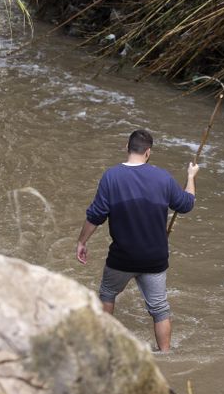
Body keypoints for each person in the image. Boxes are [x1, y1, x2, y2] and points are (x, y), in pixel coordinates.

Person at [76, 129, 199, 352]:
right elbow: (187, 204)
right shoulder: (163, 178)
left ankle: (104, 347)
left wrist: (82, 242)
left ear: (127, 147)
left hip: (122, 257)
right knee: (160, 309)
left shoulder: (111, 177)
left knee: (107, 294)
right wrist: (191, 177)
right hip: (154, 258)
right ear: (148, 152)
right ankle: (166, 355)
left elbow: (96, 215)